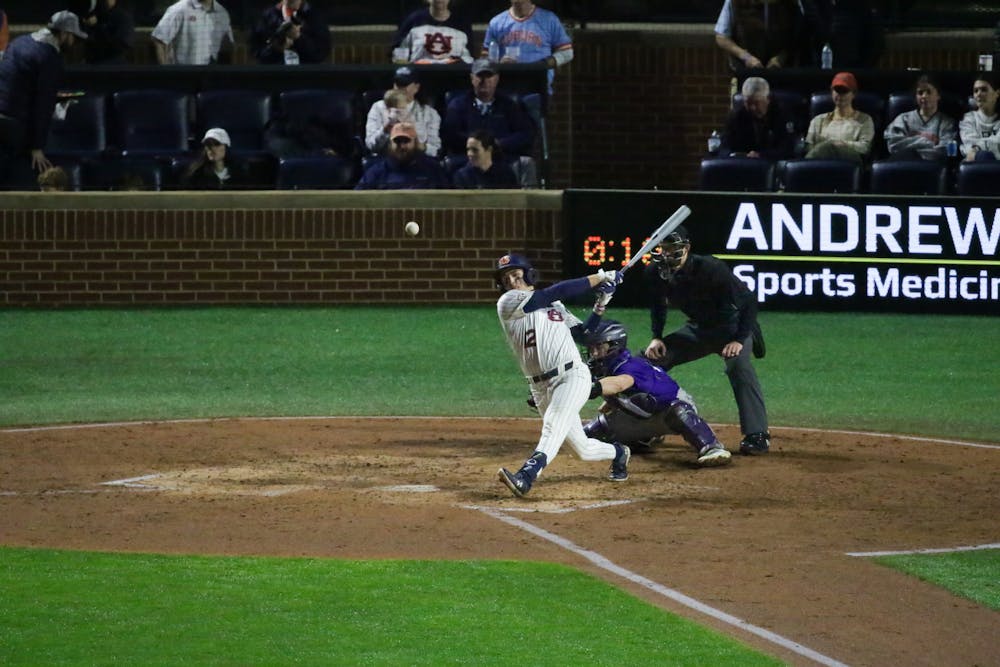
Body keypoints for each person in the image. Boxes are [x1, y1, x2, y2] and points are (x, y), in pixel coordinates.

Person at [494, 253, 629, 497]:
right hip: (540, 387)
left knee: (553, 424)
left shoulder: (555, 307)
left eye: (516, 275)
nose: (512, 281)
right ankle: (619, 453)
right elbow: (553, 292)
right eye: (506, 279)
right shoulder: (508, 302)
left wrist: (602, 302)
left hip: (572, 375)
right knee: (582, 450)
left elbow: (586, 335)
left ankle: (526, 475)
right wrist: (599, 277)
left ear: (528, 274)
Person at [642, 224, 770, 456]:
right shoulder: (655, 272)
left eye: (673, 248)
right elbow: (658, 306)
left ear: (687, 248)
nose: (668, 254)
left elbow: (749, 301)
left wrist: (740, 339)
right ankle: (648, 427)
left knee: (738, 366)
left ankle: (757, 434)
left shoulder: (711, 268)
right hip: (699, 330)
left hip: (732, 328)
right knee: (648, 362)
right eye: (663, 248)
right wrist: (656, 337)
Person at [581, 320, 731, 467]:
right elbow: (625, 393)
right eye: (591, 348)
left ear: (614, 346)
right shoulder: (607, 368)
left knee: (678, 411)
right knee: (593, 431)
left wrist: (588, 388)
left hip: (669, 412)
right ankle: (644, 438)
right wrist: (611, 403)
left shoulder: (630, 367)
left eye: (599, 347)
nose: (593, 353)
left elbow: (620, 383)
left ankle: (712, 447)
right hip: (643, 414)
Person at [0, 11, 87, 188]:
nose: (74, 43)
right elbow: (43, 105)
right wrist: (37, 147)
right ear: (64, 34)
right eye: (73, 37)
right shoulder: (49, 58)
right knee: (22, 177)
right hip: (14, 124)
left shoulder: (20, 42)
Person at [441, 58, 535, 157]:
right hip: (467, 160)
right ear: (472, 78)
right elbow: (450, 135)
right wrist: (478, 145)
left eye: (489, 76)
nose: (484, 81)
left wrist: (499, 144)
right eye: (480, 76)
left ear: (497, 79)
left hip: (502, 159)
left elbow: (525, 134)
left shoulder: (509, 105)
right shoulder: (457, 105)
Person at [482, 0, 573, 94]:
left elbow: (567, 52)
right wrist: (499, 65)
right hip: (505, 90)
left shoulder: (549, 19)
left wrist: (544, 64)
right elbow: (485, 58)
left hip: (538, 90)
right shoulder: (496, 23)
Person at [364, 66, 442, 158]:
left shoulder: (430, 114)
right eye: (398, 84)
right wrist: (385, 130)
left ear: (416, 87)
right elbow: (371, 146)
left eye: (405, 84)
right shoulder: (378, 108)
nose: (400, 88)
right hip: (385, 159)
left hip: (417, 161)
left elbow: (434, 150)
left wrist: (418, 145)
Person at [719, 76, 797, 160]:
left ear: (768, 99)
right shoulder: (735, 116)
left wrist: (761, 155)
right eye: (748, 103)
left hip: (773, 164)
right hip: (742, 164)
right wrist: (735, 155)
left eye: (756, 103)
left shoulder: (783, 114)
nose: (752, 108)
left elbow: (788, 150)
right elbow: (724, 148)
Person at [354, 122, 450, 190]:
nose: (402, 146)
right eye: (397, 141)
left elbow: (448, 200)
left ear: (415, 143)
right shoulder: (376, 171)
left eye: (406, 141)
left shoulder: (433, 168)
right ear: (390, 144)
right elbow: (357, 200)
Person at [883, 74, 957, 162]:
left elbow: (948, 152)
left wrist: (912, 147)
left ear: (938, 96)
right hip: (905, 164)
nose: (924, 96)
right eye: (920, 93)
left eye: (929, 92)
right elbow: (893, 145)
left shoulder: (948, 123)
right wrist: (926, 142)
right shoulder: (903, 119)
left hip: (932, 167)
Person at [804, 71, 874, 162]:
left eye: (844, 91)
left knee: (829, 146)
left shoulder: (864, 120)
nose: (840, 95)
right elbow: (810, 147)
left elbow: (865, 148)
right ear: (832, 92)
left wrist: (841, 144)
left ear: (854, 94)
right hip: (821, 162)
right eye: (837, 90)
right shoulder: (818, 120)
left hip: (849, 163)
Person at [714, 0, 802, 71]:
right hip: (745, 71)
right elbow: (722, 37)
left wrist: (781, 58)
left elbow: (797, 36)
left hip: (783, 71)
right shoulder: (735, 2)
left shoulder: (791, 3)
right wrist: (746, 57)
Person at [151, 0, 234, 65]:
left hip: (210, 75)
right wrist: (167, 74)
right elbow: (159, 39)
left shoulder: (222, 13)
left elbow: (227, 46)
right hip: (183, 75)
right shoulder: (179, 9)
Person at [249, 0, 330, 65]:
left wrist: (299, 38)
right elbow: (257, 53)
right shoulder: (267, 17)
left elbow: (320, 54)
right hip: (274, 77)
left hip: (306, 78)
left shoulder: (314, 17)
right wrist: (275, 48)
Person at [392, 0, 472, 65]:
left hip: (452, 77)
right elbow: (399, 54)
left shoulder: (461, 24)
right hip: (418, 76)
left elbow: (468, 59)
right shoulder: (414, 20)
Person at [180, 128, 252, 189]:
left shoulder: (239, 174)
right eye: (208, 145)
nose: (211, 149)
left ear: (226, 147)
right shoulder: (196, 175)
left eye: (216, 144)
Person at [452, 130, 518, 188]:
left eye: (475, 150)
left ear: (489, 149)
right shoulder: (462, 176)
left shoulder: (505, 173)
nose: (470, 154)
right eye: (468, 149)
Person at [959, 75, 1000, 162]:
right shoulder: (967, 119)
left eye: (984, 90)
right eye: (975, 91)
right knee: (983, 156)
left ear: (997, 94)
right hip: (976, 167)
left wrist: (977, 147)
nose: (978, 94)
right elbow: (970, 145)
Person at [82, 0, 134, 64]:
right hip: (93, 61)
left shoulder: (123, 17)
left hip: (113, 63)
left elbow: (122, 44)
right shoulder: (95, 15)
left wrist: (97, 26)